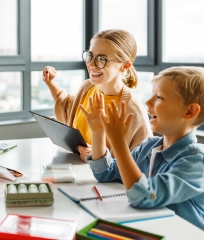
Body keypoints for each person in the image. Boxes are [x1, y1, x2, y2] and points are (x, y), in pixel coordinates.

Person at [82, 66, 204, 230]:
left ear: (190, 111)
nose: (148, 102)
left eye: (159, 97)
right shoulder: (148, 147)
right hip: (148, 228)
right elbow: (105, 173)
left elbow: (145, 196)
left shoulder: (196, 161)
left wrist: (118, 142)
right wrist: (98, 134)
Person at [42, 29, 152, 161]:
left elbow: (143, 162)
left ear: (125, 66)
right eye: (90, 56)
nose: (91, 64)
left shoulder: (132, 111)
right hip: (76, 172)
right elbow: (68, 106)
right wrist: (50, 83)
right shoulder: (87, 87)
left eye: (102, 59)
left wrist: (99, 156)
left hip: (103, 181)